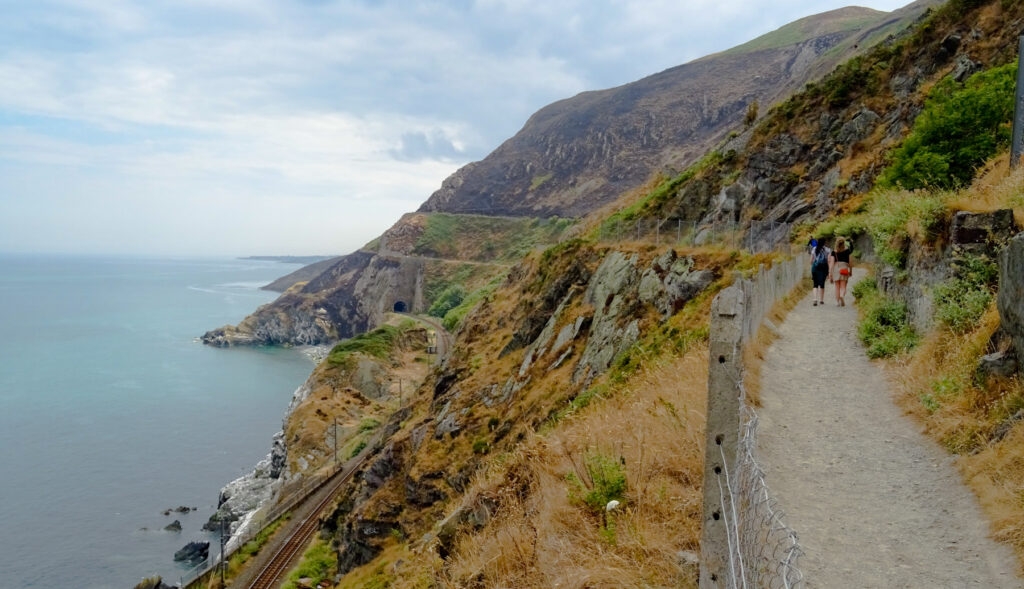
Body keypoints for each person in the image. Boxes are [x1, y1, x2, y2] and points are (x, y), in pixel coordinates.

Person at [830, 237, 853, 306]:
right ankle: (842, 295)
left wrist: (830, 273)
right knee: (843, 286)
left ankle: (837, 302)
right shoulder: (847, 251)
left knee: (837, 287)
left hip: (836, 268)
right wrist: (850, 271)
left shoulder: (834, 252)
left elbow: (831, 263)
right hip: (844, 268)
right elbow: (850, 262)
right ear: (844, 243)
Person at [809, 238, 831, 306]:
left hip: (815, 268)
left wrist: (812, 264)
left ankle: (815, 299)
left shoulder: (814, 249)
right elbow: (828, 261)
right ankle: (821, 300)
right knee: (822, 284)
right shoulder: (828, 250)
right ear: (824, 243)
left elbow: (811, 260)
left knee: (815, 284)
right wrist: (829, 271)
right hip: (823, 268)